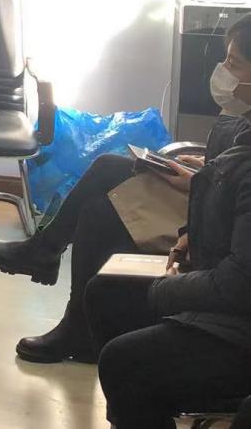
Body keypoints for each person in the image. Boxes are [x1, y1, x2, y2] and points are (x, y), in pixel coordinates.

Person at [0, 13, 251, 363]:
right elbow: (228, 167)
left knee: (100, 212)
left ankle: (55, 277)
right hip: (204, 192)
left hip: (210, 212)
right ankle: (54, 273)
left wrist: (195, 179)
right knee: (108, 168)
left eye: (233, 63)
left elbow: (234, 190)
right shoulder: (241, 117)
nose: (223, 72)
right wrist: (200, 166)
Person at [90, 118, 251, 427]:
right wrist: (192, 231)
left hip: (239, 314)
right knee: (105, 293)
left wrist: (165, 289)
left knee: (125, 363)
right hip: (225, 285)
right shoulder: (239, 129)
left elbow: (238, 283)